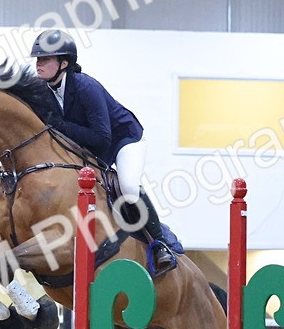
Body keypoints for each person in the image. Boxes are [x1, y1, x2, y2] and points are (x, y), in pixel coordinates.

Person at [29, 29, 180, 276]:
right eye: (37, 59)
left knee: (128, 187)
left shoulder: (87, 87)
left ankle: (158, 243)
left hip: (123, 140)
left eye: (45, 59)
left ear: (64, 63)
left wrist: (59, 125)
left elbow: (102, 138)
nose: (39, 64)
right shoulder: (44, 90)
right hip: (87, 147)